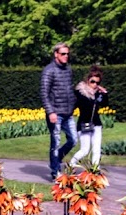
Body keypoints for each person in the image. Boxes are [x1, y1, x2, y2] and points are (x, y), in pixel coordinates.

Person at [41, 42, 77, 179]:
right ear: (56, 54)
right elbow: (44, 93)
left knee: (73, 140)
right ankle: (55, 172)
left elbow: (69, 89)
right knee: (55, 142)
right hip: (55, 113)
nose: (66, 56)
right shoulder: (48, 70)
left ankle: (55, 160)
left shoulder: (68, 69)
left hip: (68, 113)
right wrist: (50, 112)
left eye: (67, 54)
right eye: (63, 54)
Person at [69, 65, 109, 169]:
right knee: (85, 149)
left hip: (96, 123)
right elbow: (73, 106)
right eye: (93, 82)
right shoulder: (80, 92)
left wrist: (104, 94)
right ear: (87, 80)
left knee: (96, 149)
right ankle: (71, 164)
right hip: (83, 124)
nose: (95, 85)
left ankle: (95, 169)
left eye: (97, 83)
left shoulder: (98, 94)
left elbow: (104, 104)